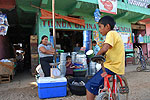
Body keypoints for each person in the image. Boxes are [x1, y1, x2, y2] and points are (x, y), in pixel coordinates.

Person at [85, 16, 125, 100]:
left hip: (111, 67)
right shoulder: (116, 34)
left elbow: (105, 48)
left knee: (90, 85)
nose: (99, 29)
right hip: (118, 67)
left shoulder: (111, 33)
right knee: (100, 82)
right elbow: (108, 50)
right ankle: (106, 92)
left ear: (107, 26)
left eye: (100, 27)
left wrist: (96, 56)